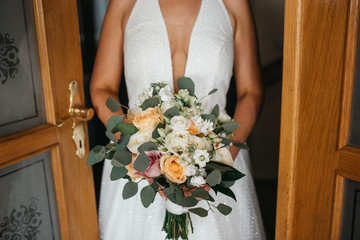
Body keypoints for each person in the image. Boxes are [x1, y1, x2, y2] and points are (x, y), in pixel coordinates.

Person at [90, 0, 266, 239]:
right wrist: (137, 153)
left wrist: (220, 161)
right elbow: (102, 87)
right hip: (136, 162)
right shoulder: (124, 3)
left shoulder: (233, 4)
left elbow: (251, 93)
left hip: (220, 155)